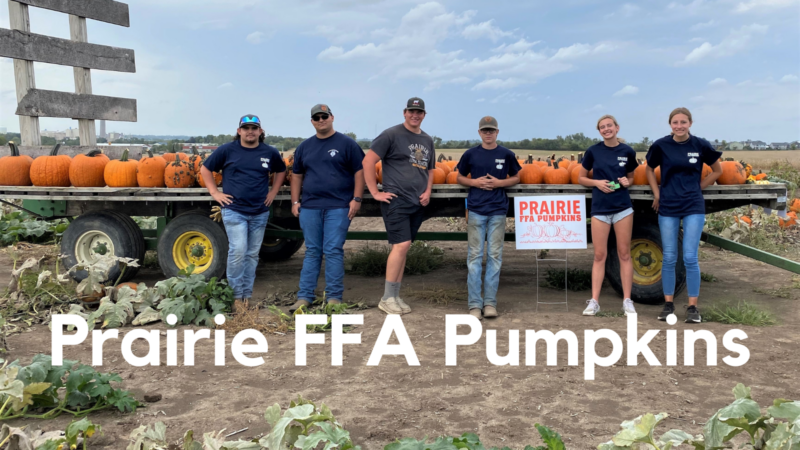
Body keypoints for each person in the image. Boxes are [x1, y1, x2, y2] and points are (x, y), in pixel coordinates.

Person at [646, 107, 722, 323]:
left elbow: (718, 170)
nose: (679, 126)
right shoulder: (661, 145)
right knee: (669, 256)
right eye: (675, 123)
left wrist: (700, 187)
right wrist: (657, 194)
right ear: (670, 125)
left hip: (693, 205)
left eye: (683, 122)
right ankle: (668, 305)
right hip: (668, 205)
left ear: (690, 123)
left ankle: (692, 308)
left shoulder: (700, 145)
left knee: (690, 257)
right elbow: (649, 169)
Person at [201, 114, 286, 303]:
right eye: (246, 128)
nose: (250, 131)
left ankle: (247, 295)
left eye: (254, 128)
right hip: (234, 210)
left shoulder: (269, 152)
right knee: (238, 251)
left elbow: (281, 170)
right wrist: (215, 192)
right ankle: (236, 297)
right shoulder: (227, 150)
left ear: (260, 132)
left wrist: (273, 192)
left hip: (259, 212)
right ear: (239, 131)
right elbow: (205, 169)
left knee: (252, 255)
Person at [288, 104, 365, 313]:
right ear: (312, 121)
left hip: (339, 206)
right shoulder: (305, 147)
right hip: (311, 206)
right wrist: (295, 202)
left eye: (324, 116)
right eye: (317, 117)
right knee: (312, 251)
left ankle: (334, 298)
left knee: (333, 250)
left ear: (332, 117)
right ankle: (304, 297)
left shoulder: (347, 144)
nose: (321, 120)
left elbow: (360, 172)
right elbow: (296, 175)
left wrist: (357, 198)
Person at [362, 97, 435, 315]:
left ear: (424, 115)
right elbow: (368, 162)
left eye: (419, 112)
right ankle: (386, 297)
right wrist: (375, 191)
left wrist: (428, 191)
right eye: (411, 111)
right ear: (404, 112)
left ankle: (395, 295)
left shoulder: (427, 140)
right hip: (397, 200)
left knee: (403, 248)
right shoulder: (391, 134)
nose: (415, 115)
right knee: (400, 246)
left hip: (417, 201)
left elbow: (430, 170)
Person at [456, 116, 520, 320]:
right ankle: (474, 304)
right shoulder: (471, 154)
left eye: (491, 130)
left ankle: (490, 302)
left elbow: (517, 177)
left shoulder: (506, 154)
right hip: (476, 210)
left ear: (497, 132)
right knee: (474, 256)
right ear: (479, 133)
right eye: (485, 130)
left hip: (498, 211)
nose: (488, 133)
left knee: (494, 256)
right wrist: (474, 183)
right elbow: (459, 177)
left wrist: (499, 183)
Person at [579, 115, 639, 317]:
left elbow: (631, 177)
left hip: (622, 208)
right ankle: (594, 301)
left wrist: (626, 181)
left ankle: (627, 301)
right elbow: (581, 177)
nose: (606, 129)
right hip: (600, 210)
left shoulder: (627, 151)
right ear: (599, 131)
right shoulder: (593, 151)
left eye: (609, 126)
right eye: (602, 127)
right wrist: (596, 183)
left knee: (624, 254)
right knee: (599, 255)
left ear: (617, 128)